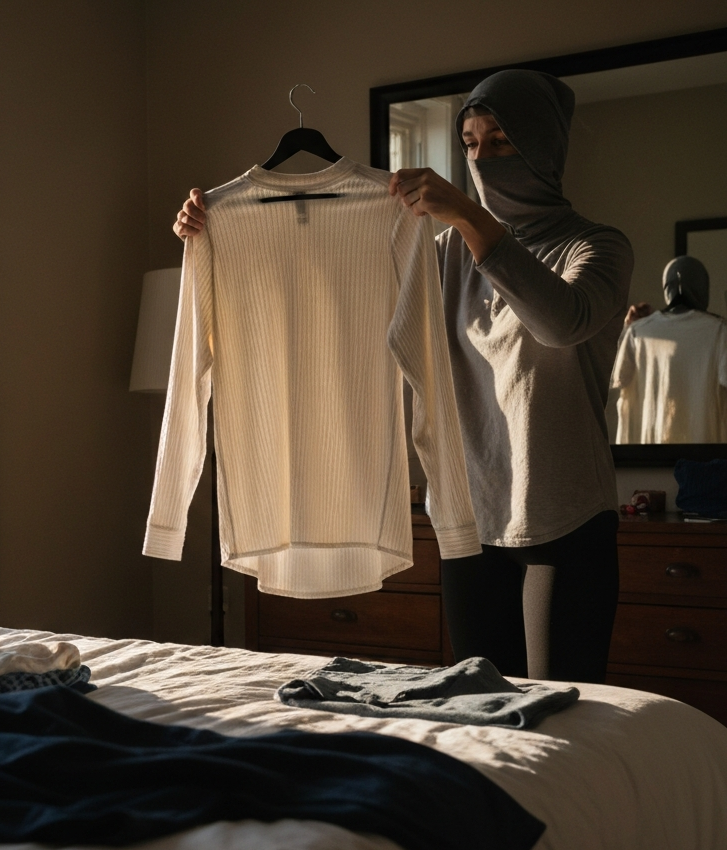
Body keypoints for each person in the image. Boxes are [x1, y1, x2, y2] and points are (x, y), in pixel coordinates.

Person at [173, 69, 633, 684]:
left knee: (564, 717)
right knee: (480, 714)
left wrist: (469, 216)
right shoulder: (442, 253)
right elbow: (346, 306)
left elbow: (560, 321)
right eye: (470, 143)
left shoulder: (596, 247)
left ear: (545, 145)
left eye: (500, 141)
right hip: (467, 521)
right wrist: (222, 237)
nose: (481, 157)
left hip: (566, 518)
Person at [611, 255, 727, 443]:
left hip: (649, 460)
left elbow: (617, 378)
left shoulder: (637, 332)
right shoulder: (720, 332)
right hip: (704, 457)